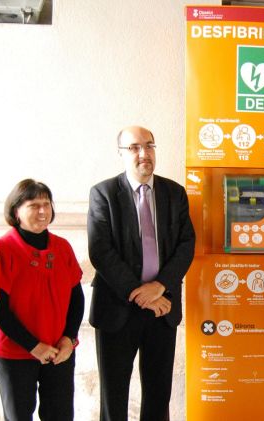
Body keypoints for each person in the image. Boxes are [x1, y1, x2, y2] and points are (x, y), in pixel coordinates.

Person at [88, 125, 195, 421]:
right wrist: (141, 294)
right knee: (114, 395)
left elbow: (187, 244)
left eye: (149, 145)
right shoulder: (104, 193)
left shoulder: (175, 193)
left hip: (163, 308)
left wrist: (160, 286)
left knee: (159, 395)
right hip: (118, 309)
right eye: (135, 147)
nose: (144, 153)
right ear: (121, 154)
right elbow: (101, 251)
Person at [0, 179, 84, 420]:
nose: (42, 211)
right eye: (33, 205)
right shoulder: (3, 249)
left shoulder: (62, 247)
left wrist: (68, 339)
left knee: (60, 414)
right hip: (15, 353)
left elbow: (76, 297)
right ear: (16, 211)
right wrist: (33, 346)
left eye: (46, 204)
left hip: (58, 350)